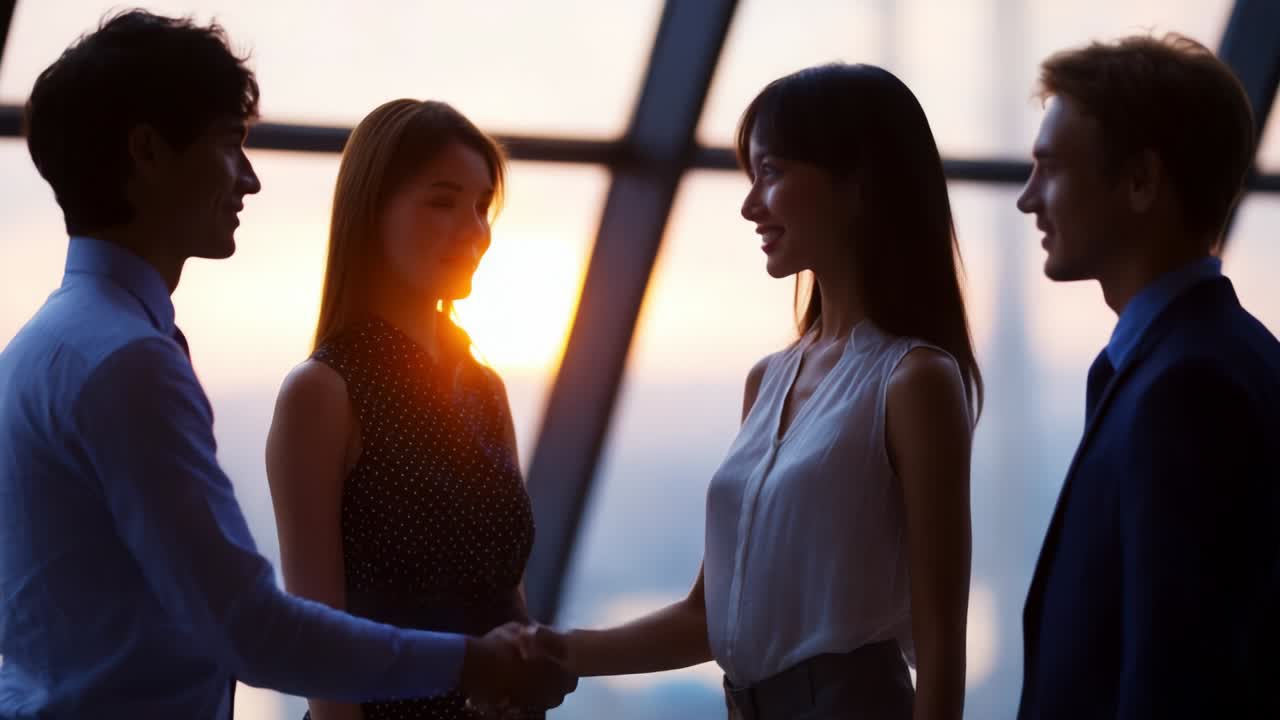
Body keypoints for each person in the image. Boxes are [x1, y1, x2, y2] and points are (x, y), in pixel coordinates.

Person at [0, 11, 574, 718]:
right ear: (147, 152)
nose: (249, 180)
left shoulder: (43, 349)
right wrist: (473, 663)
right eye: (228, 143)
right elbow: (250, 628)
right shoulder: (126, 364)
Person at [522, 63, 981, 720]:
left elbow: (941, 644)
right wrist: (556, 650)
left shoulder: (914, 381)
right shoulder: (769, 380)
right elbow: (711, 618)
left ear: (858, 185)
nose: (749, 204)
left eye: (772, 172)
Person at [1015, 34, 1280, 719]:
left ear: (1140, 182)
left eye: (1049, 168)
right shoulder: (1216, 358)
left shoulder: (1186, 389)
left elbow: (1178, 675)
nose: (1026, 199)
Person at [264, 98, 544, 720]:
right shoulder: (323, 393)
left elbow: (508, 597)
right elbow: (318, 643)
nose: (474, 230)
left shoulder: (484, 389)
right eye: (443, 201)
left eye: (480, 206)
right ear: (372, 213)